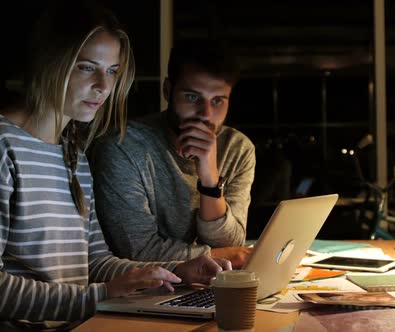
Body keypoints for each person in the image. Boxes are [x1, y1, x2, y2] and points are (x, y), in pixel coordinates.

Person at [0, 2, 229, 328]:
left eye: (111, 71)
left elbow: (94, 261)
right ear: (50, 62)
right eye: (86, 67)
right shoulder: (5, 146)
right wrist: (100, 296)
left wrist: (177, 271)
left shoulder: (73, 153)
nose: (104, 87)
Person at [90, 41, 255, 267]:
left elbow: (231, 241)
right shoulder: (123, 146)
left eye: (217, 101)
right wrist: (221, 255)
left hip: (209, 285)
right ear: (168, 90)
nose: (205, 114)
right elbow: (137, 250)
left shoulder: (237, 148)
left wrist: (210, 180)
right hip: (145, 290)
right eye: (192, 97)